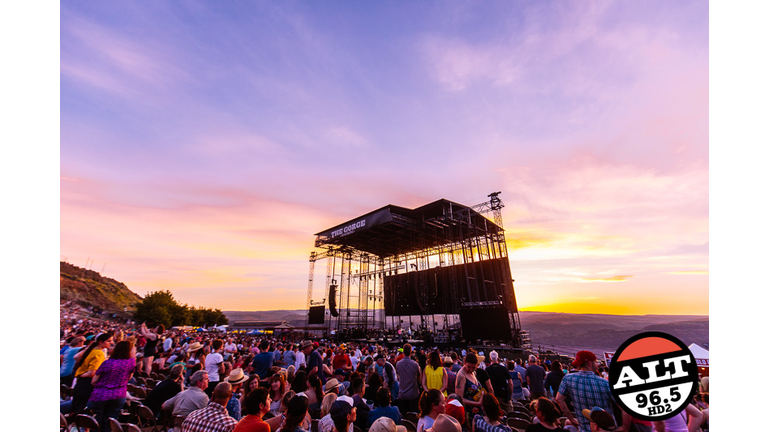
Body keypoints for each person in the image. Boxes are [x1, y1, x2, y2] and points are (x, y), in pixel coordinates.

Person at [554, 351, 615, 432]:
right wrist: (625, 427)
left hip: (583, 428)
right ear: (590, 363)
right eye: (595, 362)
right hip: (605, 429)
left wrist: (571, 419)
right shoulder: (605, 383)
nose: (597, 365)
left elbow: (559, 399)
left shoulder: (568, 379)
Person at [86, 340, 137, 432]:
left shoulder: (107, 363)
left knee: (94, 422)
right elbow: (129, 378)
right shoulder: (131, 363)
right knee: (109, 423)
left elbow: (94, 381)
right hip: (119, 395)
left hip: (100, 395)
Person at [72, 332, 114, 413]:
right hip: (87, 384)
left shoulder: (92, 350)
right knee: (80, 411)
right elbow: (92, 373)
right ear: (100, 342)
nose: (111, 343)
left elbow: (77, 358)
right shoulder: (99, 353)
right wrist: (81, 375)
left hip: (80, 383)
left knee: (75, 409)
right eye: (108, 341)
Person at [396, 343, 422, 414]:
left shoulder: (398, 364)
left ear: (403, 352)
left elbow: (398, 375)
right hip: (413, 394)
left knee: (403, 417)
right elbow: (420, 377)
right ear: (411, 352)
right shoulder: (415, 364)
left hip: (402, 393)